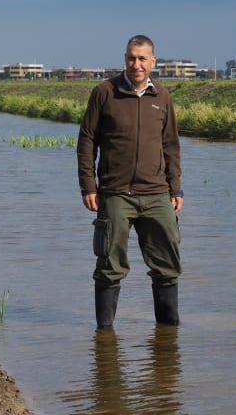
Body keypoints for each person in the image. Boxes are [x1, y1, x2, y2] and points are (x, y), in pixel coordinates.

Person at [77, 34, 184, 329]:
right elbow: (87, 141)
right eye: (130, 58)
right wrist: (88, 185)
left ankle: (168, 336)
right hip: (115, 194)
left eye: (141, 59)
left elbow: (171, 144)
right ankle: (104, 335)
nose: (136, 64)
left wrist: (175, 187)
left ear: (153, 62)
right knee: (109, 266)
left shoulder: (162, 96)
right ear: (125, 59)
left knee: (167, 267)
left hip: (156, 194)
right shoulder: (104, 93)